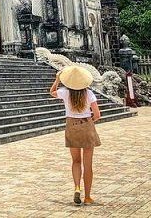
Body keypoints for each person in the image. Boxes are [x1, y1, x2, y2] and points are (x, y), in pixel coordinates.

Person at [49, 65, 101, 205]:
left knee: (76, 161)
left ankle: (77, 187)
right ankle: (88, 196)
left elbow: (52, 92)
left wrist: (57, 79)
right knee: (88, 164)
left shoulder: (65, 93)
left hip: (71, 125)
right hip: (87, 125)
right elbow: (97, 114)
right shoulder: (89, 94)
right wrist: (89, 122)